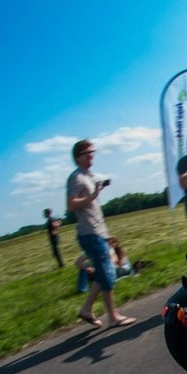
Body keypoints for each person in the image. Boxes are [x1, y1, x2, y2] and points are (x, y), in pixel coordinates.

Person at [67, 139, 135, 329]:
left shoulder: (90, 176)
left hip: (98, 231)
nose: (91, 155)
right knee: (108, 271)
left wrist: (97, 190)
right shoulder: (76, 178)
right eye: (86, 153)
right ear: (77, 157)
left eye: (92, 152)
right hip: (89, 233)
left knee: (106, 271)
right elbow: (71, 205)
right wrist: (93, 196)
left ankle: (87, 309)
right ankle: (113, 317)